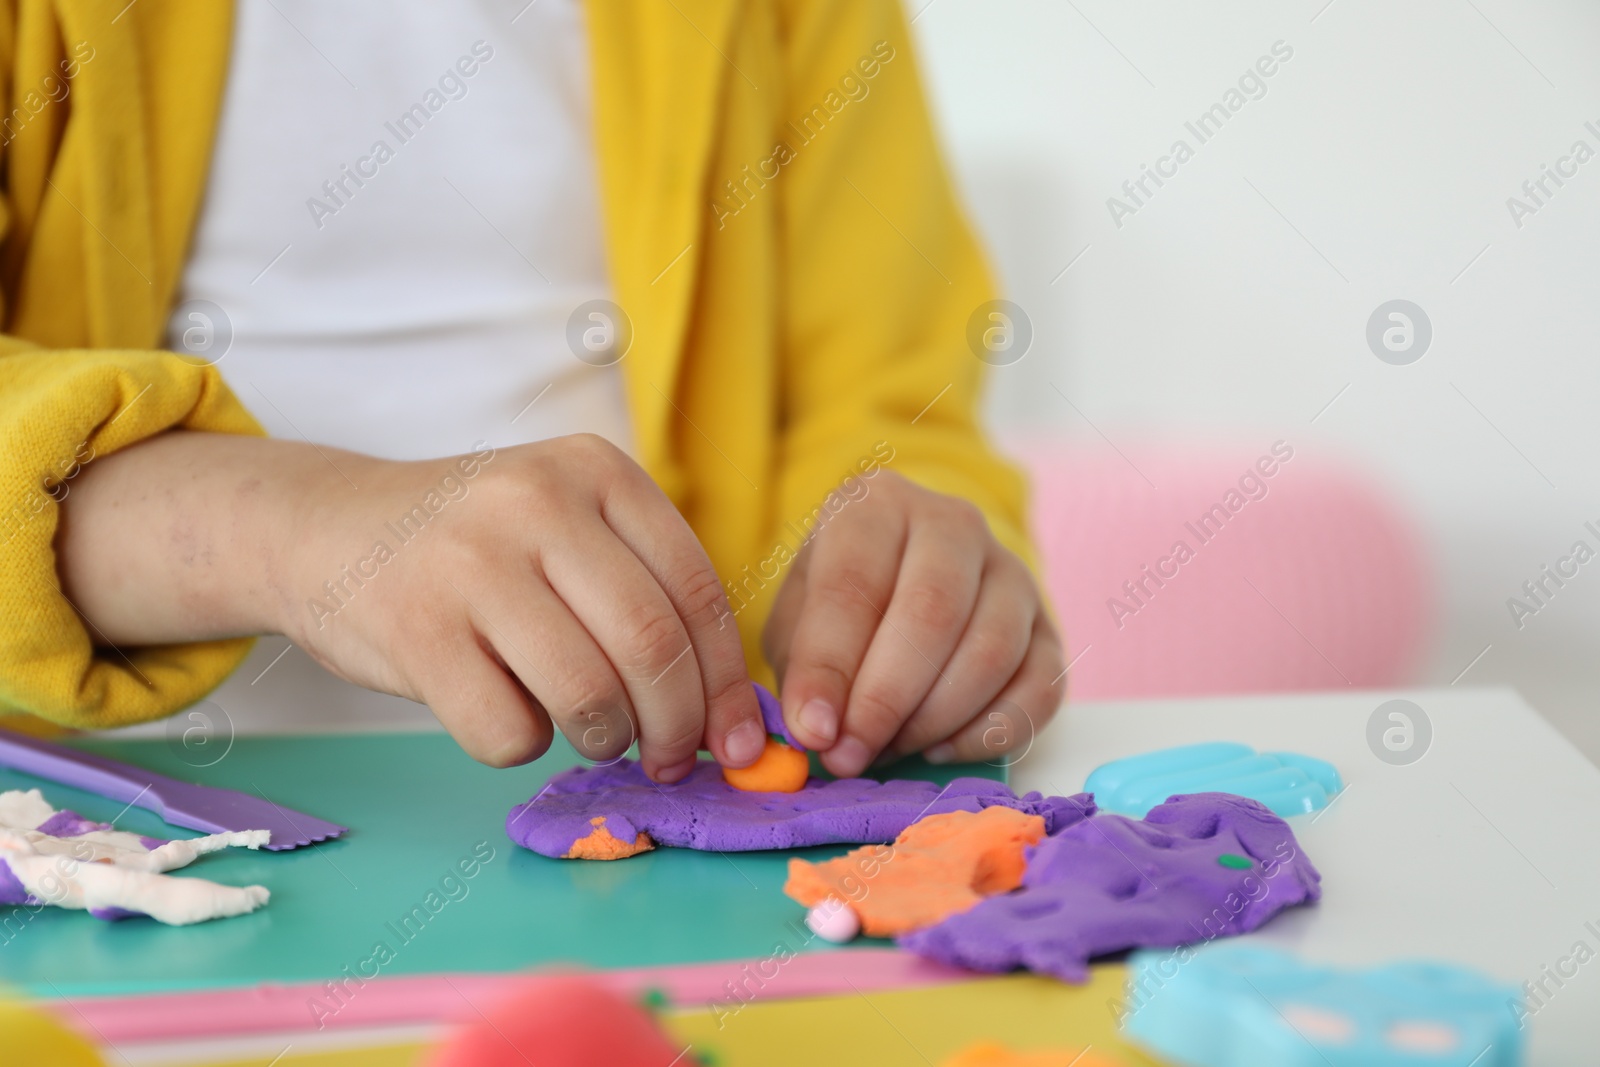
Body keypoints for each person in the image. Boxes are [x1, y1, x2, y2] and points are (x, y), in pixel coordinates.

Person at [0, 0, 1062, 783]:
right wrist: (293, 528)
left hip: (668, 798)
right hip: (98, 809)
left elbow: (883, 399)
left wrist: (899, 565)